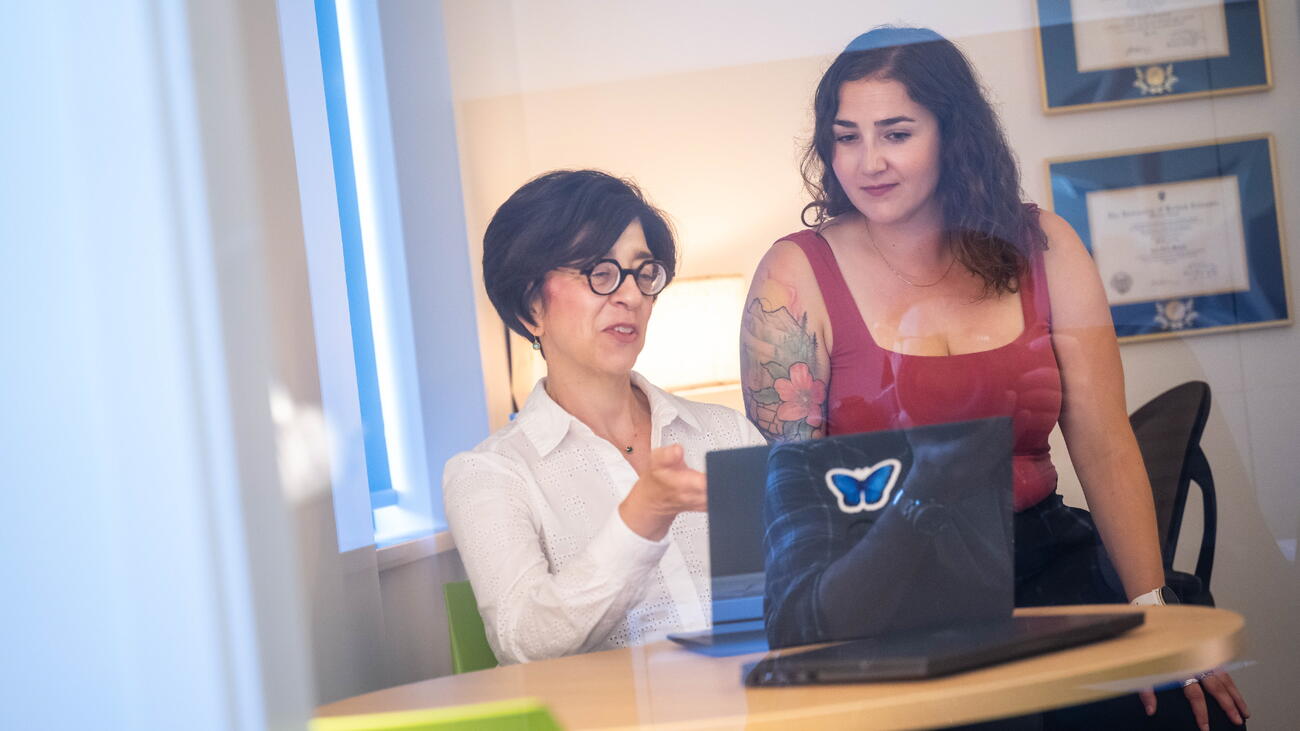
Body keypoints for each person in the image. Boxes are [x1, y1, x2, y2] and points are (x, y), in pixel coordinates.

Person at [740, 26, 1249, 729]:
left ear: (953, 133)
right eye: (846, 136)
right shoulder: (794, 276)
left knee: (1180, 710)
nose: (868, 162)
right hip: (892, 587)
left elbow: (1102, 443)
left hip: (1049, 562)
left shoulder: (1045, 244)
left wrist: (1156, 615)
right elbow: (798, 509)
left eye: (895, 133)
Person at [445, 170, 765, 665]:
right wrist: (644, 516)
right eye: (599, 272)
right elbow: (523, 640)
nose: (631, 295)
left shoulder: (726, 433)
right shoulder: (490, 474)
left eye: (643, 272)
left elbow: (796, 589)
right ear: (531, 307)